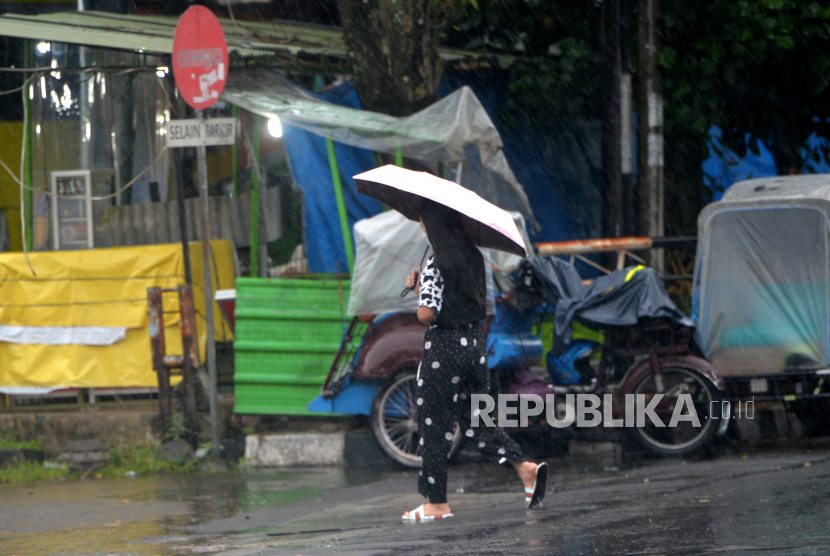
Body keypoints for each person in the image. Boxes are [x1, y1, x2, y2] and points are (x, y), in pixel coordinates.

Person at [401, 200, 547, 523]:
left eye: (424, 222)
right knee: (477, 421)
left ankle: (436, 504)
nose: (423, 226)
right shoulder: (475, 258)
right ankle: (525, 468)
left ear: (434, 227)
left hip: (443, 350)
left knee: (434, 425)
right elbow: (457, 303)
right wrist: (420, 290)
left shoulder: (436, 264)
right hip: (474, 348)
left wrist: (422, 286)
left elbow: (427, 315)